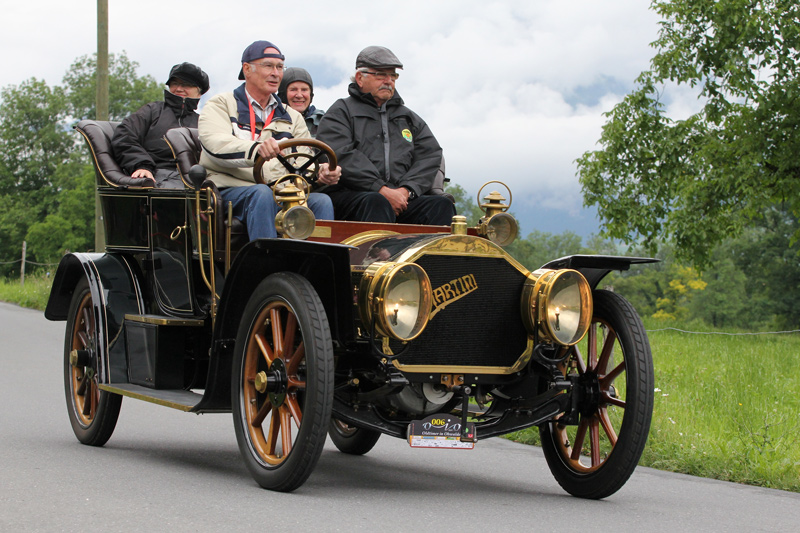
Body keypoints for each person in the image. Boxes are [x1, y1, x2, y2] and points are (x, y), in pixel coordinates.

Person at [198, 41, 340, 240]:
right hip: (231, 190)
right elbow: (216, 144)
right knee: (261, 194)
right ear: (247, 69)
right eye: (268, 66)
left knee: (321, 201)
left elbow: (303, 162)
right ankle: (266, 258)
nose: (276, 73)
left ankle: (318, 260)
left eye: (280, 67)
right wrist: (257, 150)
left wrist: (321, 173)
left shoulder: (292, 117)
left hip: (280, 193)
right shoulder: (222, 104)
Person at [316, 46, 455, 225]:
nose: (388, 81)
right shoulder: (341, 112)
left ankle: (436, 246)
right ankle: (379, 246)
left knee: (441, 205)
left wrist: (407, 190)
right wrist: (380, 189)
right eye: (381, 75)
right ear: (360, 78)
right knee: (376, 201)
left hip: (402, 198)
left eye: (393, 75)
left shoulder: (408, 118)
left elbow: (430, 154)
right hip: (352, 196)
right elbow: (340, 154)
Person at [111, 62, 210, 188]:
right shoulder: (152, 111)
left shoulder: (203, 122)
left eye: (186, 84)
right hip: (157, 175)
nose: (179, 88)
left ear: (199, 92)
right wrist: (142, 165)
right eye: (175, 83)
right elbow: (124, 136)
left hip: (195, 178)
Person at [278, 67, 325, 137]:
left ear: (311, 94)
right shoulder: (271, 121)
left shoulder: (324, 122)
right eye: (293, 89)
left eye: (304, 90)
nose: (299, 95)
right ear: (283, 95)